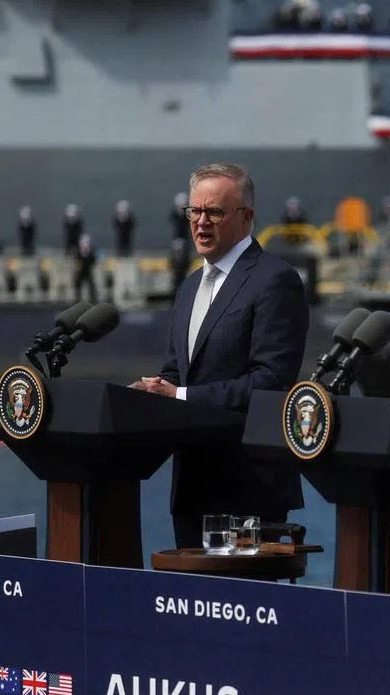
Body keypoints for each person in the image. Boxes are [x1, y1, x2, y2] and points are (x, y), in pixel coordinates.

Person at [129, 162, 309, 549]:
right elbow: (177, 370)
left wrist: (177, 397)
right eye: (194, 211)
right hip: (192, 488)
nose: (201, 222)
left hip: (248, 489)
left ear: (246, 218)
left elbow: (270, 382)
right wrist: (151, 391)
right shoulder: (191, 286)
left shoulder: (275, 280)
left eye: (214, 212)